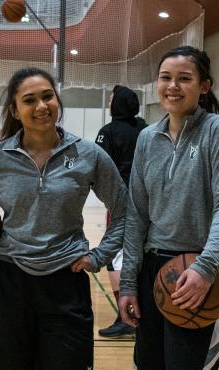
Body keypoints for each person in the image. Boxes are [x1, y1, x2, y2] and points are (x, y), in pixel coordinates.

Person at [0, 67, 127, 370]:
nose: (41, 106)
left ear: (57, 100)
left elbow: (123, 211)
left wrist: (99, 256)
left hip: (66, 282)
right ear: (15, 109)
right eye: (29, 100)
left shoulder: (88, 155)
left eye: (47, 96)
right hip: (7, 282)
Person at [119, 45, 219, 370]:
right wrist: (130, 284)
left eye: (184, 78)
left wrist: (206, 269)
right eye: (165, 78)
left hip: (196, 272)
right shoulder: (147, 138)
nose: (173, 86)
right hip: (152, 270)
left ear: (204, 86)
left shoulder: (214, 132)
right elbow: (136, 214)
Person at [95, 85, 147, 337]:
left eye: (112, 99)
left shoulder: (107, 132)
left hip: (121, 205)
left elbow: (99, 171)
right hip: (148, 205)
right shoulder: (146, 129)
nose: (109, 102)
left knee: (116, 259)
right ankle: (141, 310)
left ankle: (126, 318)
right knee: (140, 257)